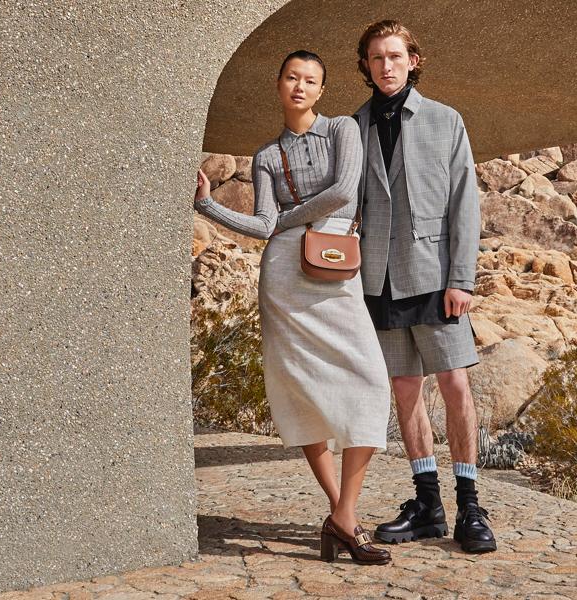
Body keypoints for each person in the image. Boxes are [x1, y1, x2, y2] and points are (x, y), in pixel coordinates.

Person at [193, 50, 391, 566]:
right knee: (301, 389)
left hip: (334, 262)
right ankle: (343, 516)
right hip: (284, 274)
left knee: (370, 379)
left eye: (311, 81)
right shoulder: (263, 157)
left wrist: (287, 221)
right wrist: (206, 205)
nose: (300, 87)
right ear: (278, 85)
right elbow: (261, 226)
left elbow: (344, 192)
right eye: (292, 78)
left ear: (322, 90)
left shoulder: (344, 129)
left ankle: (343, 515)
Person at [351, 20, 497, 553]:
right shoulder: (355, 126)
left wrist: (462, 279)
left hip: (437, 281)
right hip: (378, 282)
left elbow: (466, 203)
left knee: (455, 387)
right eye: (375, 58)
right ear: (365, 66)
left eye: (395, 56)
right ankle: (427, 503)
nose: (386, 66)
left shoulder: (445, 120)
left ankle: (470, 505)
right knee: (405, 390)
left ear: (413, 59)